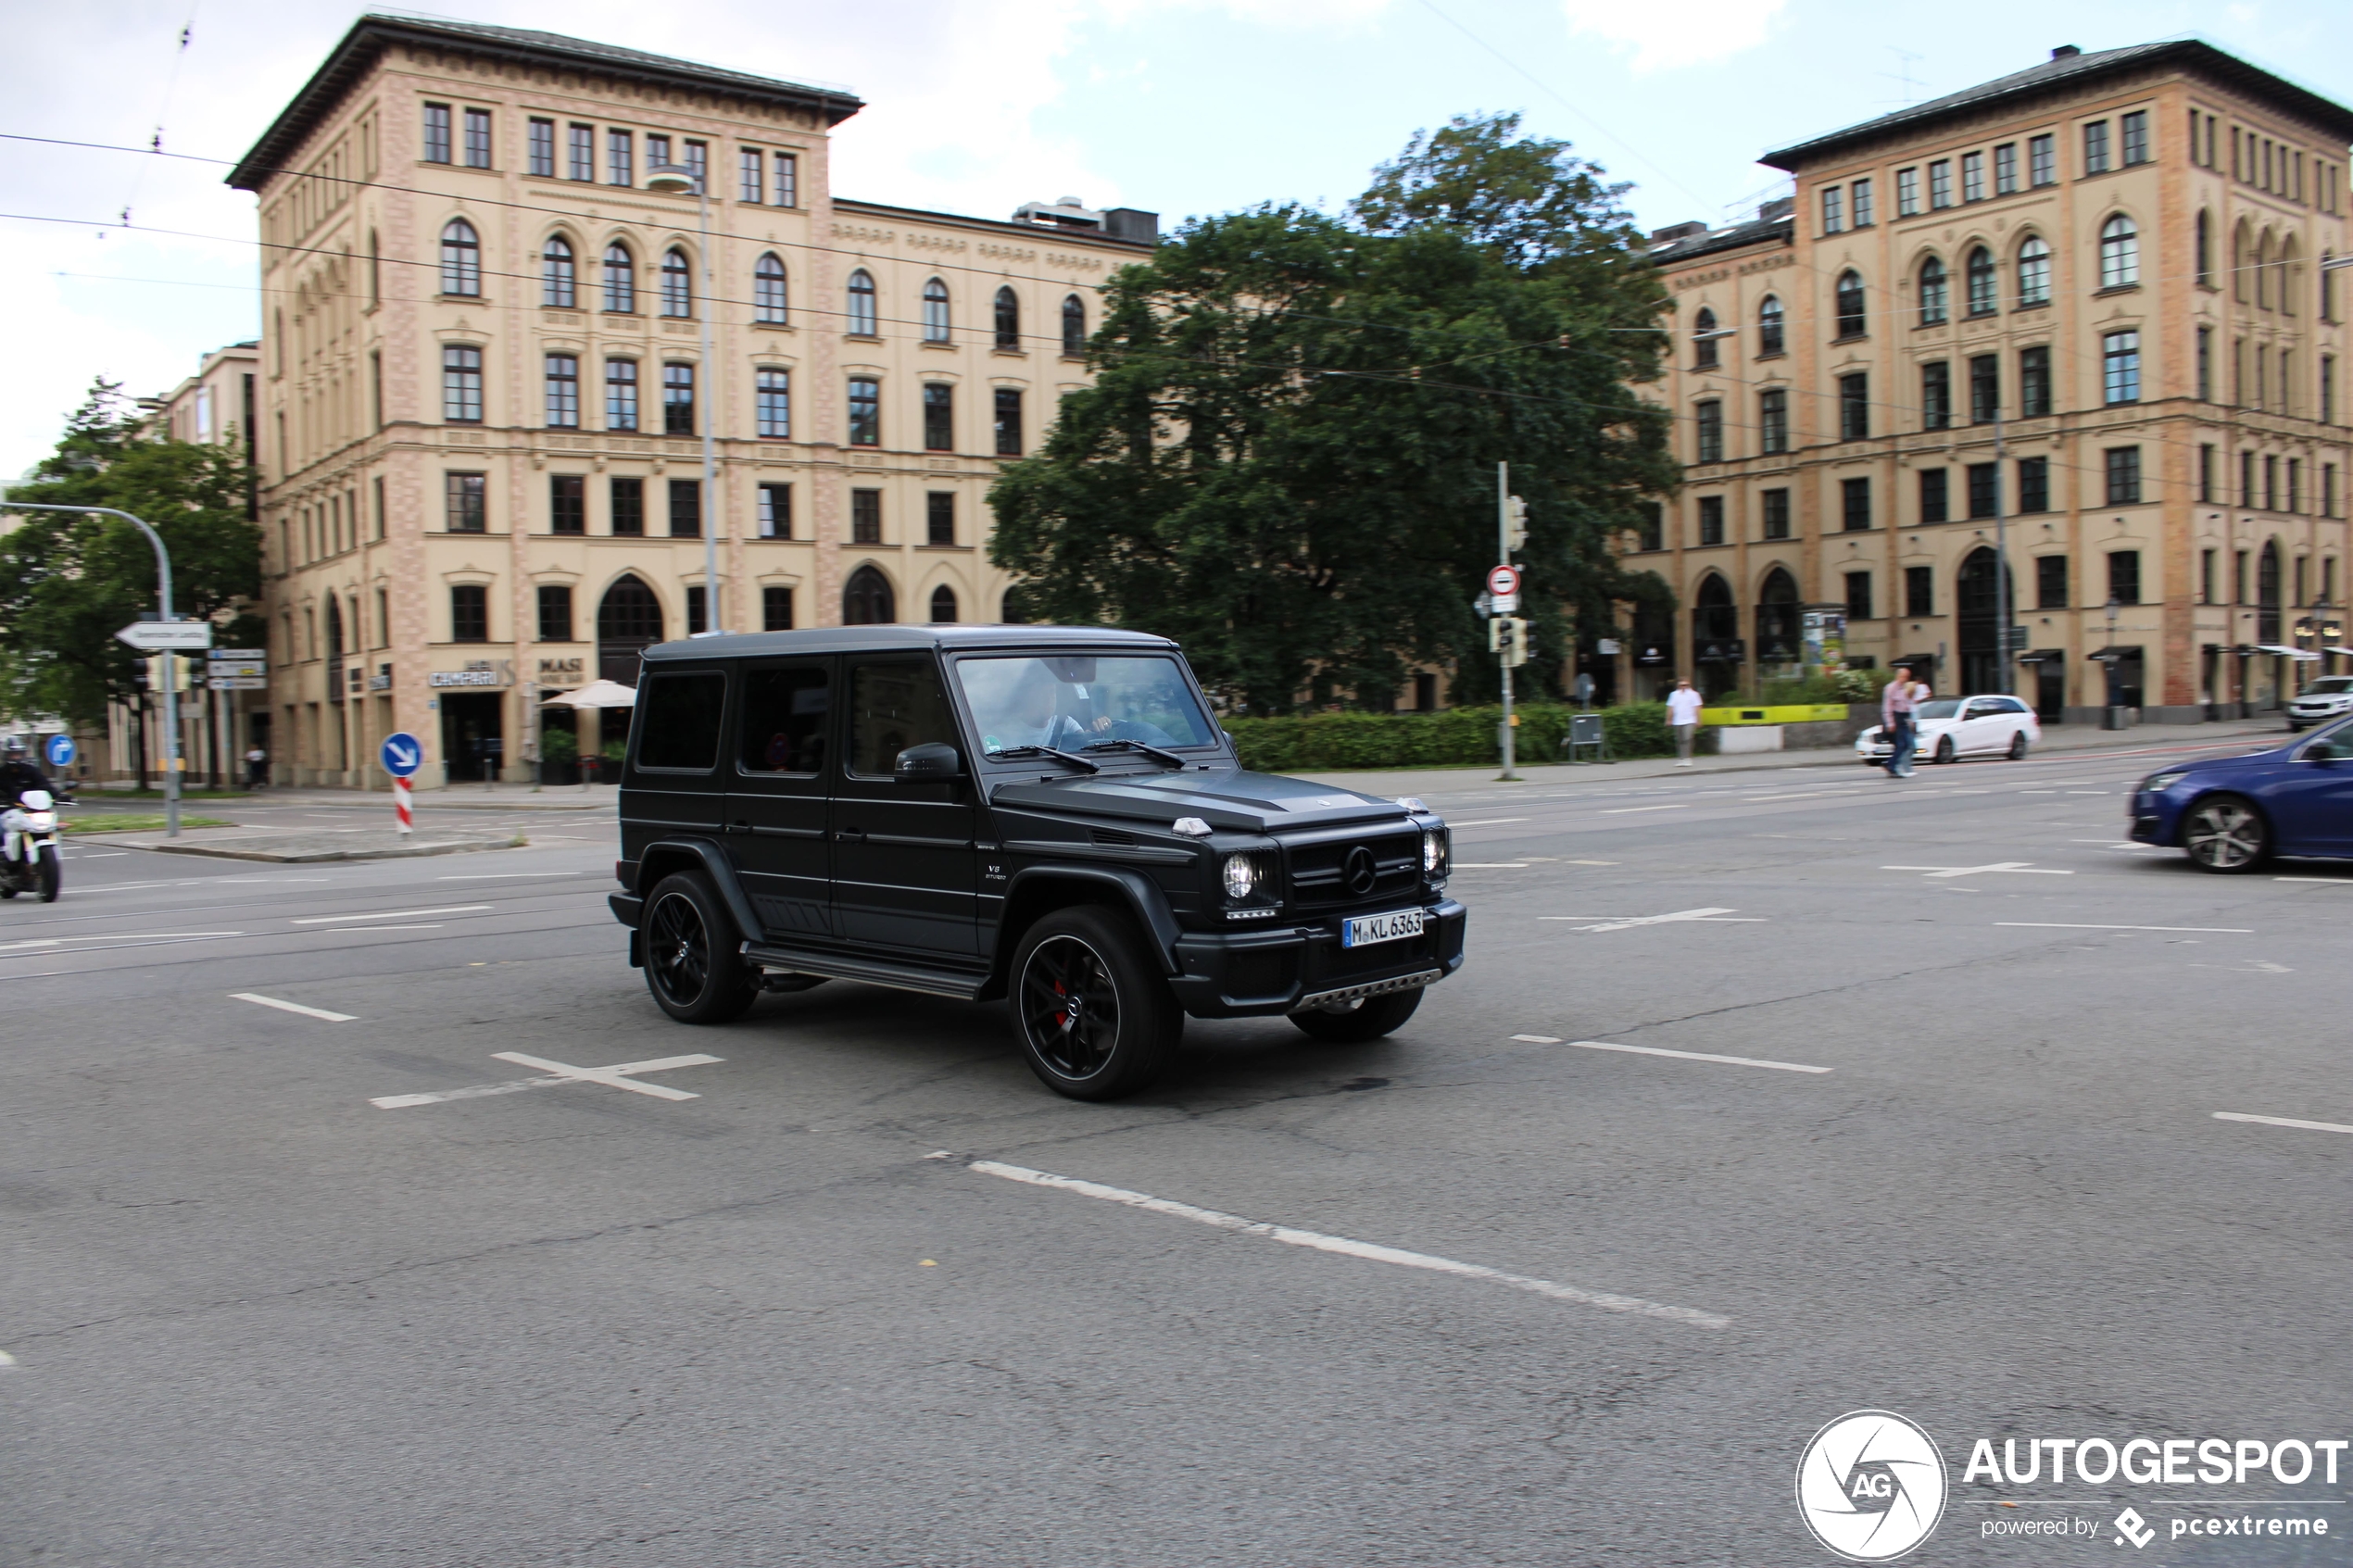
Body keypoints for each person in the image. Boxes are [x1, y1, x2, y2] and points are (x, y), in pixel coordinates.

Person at [0, 738, 53, 863]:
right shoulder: (2, 773)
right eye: (13, 754)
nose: (16, 757)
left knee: (50, 826)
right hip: (8, 810)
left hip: (31, 811)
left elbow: (44, 785)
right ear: (6, 755)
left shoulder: (31, 771)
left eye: (18, 754)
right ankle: (3, 859)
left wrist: (60, 795)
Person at [1881, 667, 1928, 778]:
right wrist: (1890, 723)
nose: (1905, 679)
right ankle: (1891, 765)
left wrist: (1910, 720)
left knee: (1907, 744)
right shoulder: (1891, 688)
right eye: (1903, 676)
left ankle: (1890, 763)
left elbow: (1907, 704)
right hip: (1895, 717)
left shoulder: (1905, 687)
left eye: (1907, 677)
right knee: (1901, 744)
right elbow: (1887, 706)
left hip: (1904, 717)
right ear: (1898, 676)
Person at [1666, 677, 1704, 766]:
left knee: (1687, 738)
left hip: (1690, 720)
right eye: (1682, 685)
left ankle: (1688, 758)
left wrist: (1699, 720)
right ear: (1678, 685)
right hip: (1677, 720)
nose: (1684, 687)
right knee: (1679, 740)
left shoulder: (1694, 694)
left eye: (1686, 685)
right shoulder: (1674, 694)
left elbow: (1697, 708)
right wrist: (1669, 719)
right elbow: (1671, 707)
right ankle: (1681, 758)